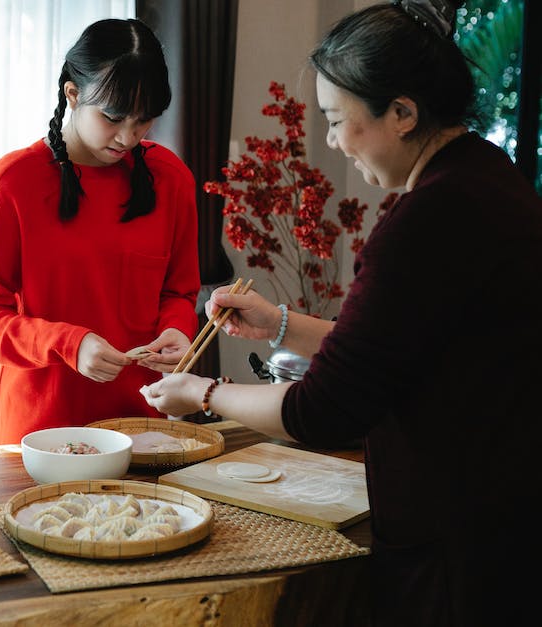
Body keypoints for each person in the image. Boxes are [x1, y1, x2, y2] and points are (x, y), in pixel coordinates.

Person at [141, 2, 541, 625]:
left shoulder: (429, 219)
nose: (330, 141)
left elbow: (320, 410)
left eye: (336, 120)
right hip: (503, 509)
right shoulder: (486, 175)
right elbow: (400, 342)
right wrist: (281, 324)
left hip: (459, 537)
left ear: (403, 112)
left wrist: (203, 391)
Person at [0, 18, 200, 445]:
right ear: (73, 94)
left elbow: (178, 292)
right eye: (112, 117)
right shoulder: (11, 185)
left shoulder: (171, 179)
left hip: (143, 429)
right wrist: (67, 343)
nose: (128, 136)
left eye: (144, 121)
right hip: (39, 435)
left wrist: (179, 330)